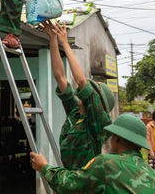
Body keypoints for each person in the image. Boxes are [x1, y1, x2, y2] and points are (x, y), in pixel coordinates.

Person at [29, 113, 155, 193]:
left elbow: (71, 185)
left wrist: (45, 167)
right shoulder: (154, 177)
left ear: (117, 138)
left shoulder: (106, 164)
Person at [42, 21, 114, 169]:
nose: (84, 93)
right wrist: (52, 38)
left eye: (91, 92)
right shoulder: (75, 111)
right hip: (69, 177)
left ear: (98, 102)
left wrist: (65, 43)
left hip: (87, 182)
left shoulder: (99, 120)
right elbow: (60, 77)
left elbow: (81, 81)